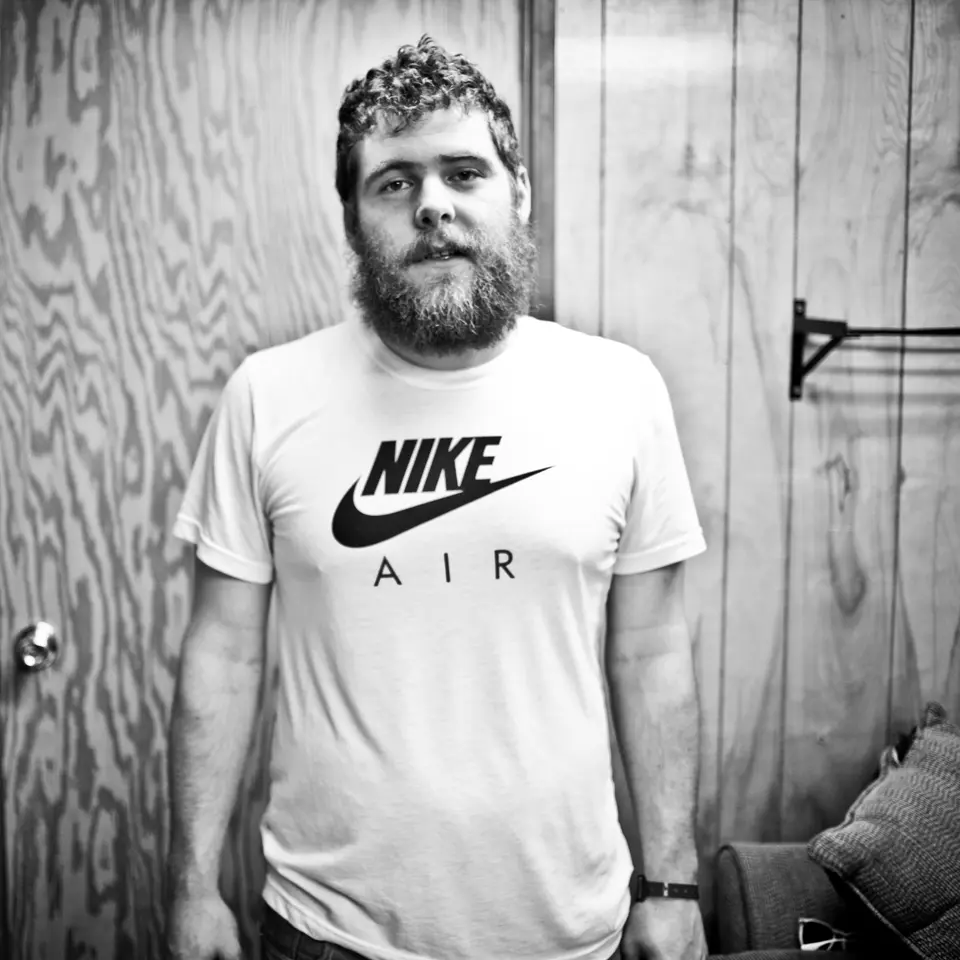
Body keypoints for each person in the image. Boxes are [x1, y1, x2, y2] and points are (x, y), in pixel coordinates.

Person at [165, 35, 708, 960]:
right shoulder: (268, 395)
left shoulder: (620, 390)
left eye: (464, 172)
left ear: (518, 192)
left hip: (572, 928)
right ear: (352, 218)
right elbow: (222, 655)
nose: (434, 207)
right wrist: (190, 886)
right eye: (394, 183)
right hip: (327, 929)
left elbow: (652, 650)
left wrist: (671, 883)